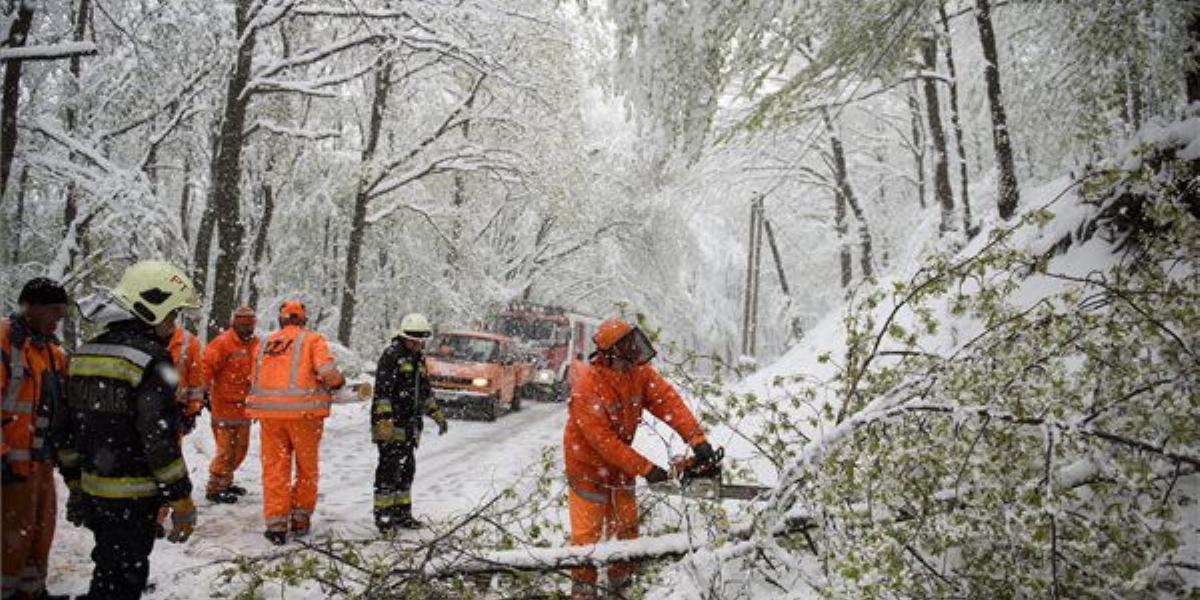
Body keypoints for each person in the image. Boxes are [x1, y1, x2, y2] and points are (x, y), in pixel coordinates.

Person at [54, 260, 199, 599]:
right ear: (153, 307)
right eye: (172, 314)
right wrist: (180, 498)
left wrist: (76, 486)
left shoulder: (84, 354)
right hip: (133, 498)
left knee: (107, 568)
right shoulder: (150, 359)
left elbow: (65, 430)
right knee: (124, 579)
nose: (173, 324)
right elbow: (158, 438)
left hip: (94, 492)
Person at [562, 319, 718, 599]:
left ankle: (620, 589)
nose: (633, 355)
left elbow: (668, 402)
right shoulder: (587, 387)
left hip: (621, 470)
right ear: (610, 353)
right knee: (587, 539)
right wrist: (645, 468)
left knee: (626, 530)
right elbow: (604, 443)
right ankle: (584, 592)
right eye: (626, 349)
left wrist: (696, 439)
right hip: (587, 469)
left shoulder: (639, 374)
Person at [245, 300, 344, 545]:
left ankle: (276, 524)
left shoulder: (265, 343)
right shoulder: (312, 340)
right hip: (304, 416)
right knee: (305, 468)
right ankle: (300, 519)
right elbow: (327, 371)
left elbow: (253, 375)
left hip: (270, 417)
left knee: (275, 469)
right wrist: (338, 383)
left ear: (281, 320)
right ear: (303, 320)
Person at [1, 278, 69, 600]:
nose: (59, 318)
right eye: (55, 310)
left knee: (40, 532)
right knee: (10, 539)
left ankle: (31, 591)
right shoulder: (4, 343)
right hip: (9, 465)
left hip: (40, 461)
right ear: (32, 307)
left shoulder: (53, 353)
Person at [370, 313, 448, 532]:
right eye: (414, 340)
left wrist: (437, 415)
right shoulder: (391, 356)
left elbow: (424, 390)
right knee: (389, 470)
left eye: (421, 340)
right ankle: (384, 517)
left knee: (407, 469)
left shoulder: (418, 358)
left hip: (409, 425)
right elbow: (382, 393)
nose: (418, 344)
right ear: (403, 337)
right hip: (390, 424)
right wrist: (385, 424)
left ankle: (402, 514)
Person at [201, 306, 258, 503]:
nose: (246, 329)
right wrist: (202, 393)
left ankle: (226, 481)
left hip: (245, 408)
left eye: (249, 325)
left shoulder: (256, 345)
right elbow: (205, 367)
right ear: (234, 323)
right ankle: (215, 488)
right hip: (224, 407)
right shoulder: (222, 343)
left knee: (240, 449)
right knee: (225, 450)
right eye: (242, 324)